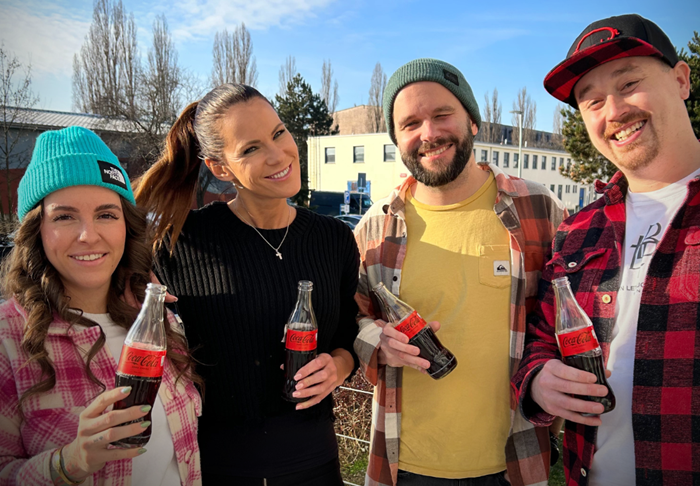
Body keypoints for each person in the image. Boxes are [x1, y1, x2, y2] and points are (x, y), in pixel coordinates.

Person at [353, 58, 568, 486]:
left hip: (513, 461)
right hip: (405, 465)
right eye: (410, 123)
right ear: (397, 138)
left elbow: (566, 314)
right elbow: (351, 317)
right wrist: (377, 342)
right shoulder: (375, 228)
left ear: (472, 120)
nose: (428, 133)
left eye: (442, 115)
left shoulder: (539, 209)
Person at [133, 83, 360, 485]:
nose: (278, 154)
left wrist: (338, 367)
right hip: (218, 469)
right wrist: (130, 277)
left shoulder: (334, 238)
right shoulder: (180, 243)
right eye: (251, 148)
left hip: (317, 464)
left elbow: (347, 334)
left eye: (278, 133)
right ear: (220, 168)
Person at [512, 14, 700, 486]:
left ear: (681, 80)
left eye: (629, 83)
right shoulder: (577, 230)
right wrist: (538, 379)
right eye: (592, 101)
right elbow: (541, 336)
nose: (612, 111)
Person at [0, 126, 203, 486]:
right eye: (64, 216)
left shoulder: (158, 323)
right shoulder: (7, 340)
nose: (88, 235)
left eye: (106, 214)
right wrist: (69, 462)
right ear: (36, 230)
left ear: (126, 225)